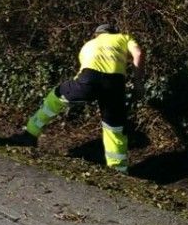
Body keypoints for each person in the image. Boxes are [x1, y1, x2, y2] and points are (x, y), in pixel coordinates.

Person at [8, 24, 145, 173]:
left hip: (88, 78)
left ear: (97, 34)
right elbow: (138, 54)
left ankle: (30, 134)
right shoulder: (123, 38)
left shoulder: (89, 45)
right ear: (114, 33)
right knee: (114, 126)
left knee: (56, 96)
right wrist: (138, 83)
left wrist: (77, 90)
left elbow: (82, 73)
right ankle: (118, 169)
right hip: (115, 83)